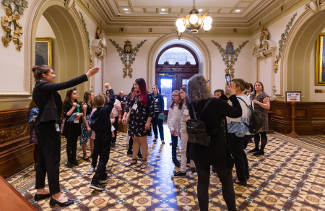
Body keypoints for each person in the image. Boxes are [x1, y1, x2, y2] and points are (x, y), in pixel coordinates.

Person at [32, 65, 99, 207]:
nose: (54, 75)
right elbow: (64, 85)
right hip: (48, 126)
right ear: (44, 75)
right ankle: (56, 194)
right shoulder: (42, 85)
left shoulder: (42, 86)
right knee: (53, 160)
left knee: (44, 158)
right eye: (51, 73)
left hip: (46, 125)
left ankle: (40, 190)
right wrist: (86, 75)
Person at [187, 75, 242, 211]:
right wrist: (233, 96)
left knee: (203, 182)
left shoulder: (191, 104)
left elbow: (211, 107)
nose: (208, 84)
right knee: (226, 180)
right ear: (203, 86)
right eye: (206, 82)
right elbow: (237, 113)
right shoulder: (215, 103)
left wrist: (225, 96)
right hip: (217, 148)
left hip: (199, 146)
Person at [122, 78, 154, 169]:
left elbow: (151, 111)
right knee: (135, 140)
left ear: (141, 85)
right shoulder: (135, 96)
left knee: (143, 142)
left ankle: (144, 161)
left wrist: (148, 122)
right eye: (134, 84)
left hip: (143, 123)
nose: (134, 86)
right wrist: (125, 117)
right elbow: (130, 107)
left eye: (136, 84)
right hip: (134, 122)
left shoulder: (148, 96)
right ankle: (134, 159)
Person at [227, 79, 252, 186]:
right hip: (246, 129)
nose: (228, 87)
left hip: (235, 129)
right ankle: (245, 174)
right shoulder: (247, 98)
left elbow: (233, 115)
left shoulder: (235, 99)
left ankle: (241, 178)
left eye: (231, 85)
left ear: (237, 88)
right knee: (241, 153)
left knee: (237, 155)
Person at [89, 84, 115, 191]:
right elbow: (112, 100)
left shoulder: (94, 113)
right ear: (104, 103)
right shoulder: (104, 111)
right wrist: (109, 88)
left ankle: (102, 176)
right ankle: (94, 181)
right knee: (104, 158)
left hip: (98, 137)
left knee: (101, 156)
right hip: (105, 137)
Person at [249, 81, 270, 156]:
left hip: (262, 117)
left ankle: (262, 150)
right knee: (256, 133)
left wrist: (258, 102)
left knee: (263, 134)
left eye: (259, 85)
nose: (257, 86)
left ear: (262, 86)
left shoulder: (264, 95)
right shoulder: (252, 94)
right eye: (256, 85)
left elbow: (267, 107)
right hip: (254, 116)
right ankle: (256, 148)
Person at [63, 88, 82, 168]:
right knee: (69, 144)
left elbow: (81, 112)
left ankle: (74, 159)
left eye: (76, 93)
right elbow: (66, 115)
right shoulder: (66, 103)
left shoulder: (77, 102)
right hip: (69, 126)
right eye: (74, 93)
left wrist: (80, 114)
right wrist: (73, 108)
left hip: (76, 125)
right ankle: (69, 160)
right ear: (70, 94)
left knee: (74, 143)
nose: (76, 95)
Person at [167, 90, 182, 168]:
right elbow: (169, 118)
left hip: (181, 129)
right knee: (174, 144)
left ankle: (186, 160)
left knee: (184, 145)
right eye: (172, 95)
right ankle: (174, 159)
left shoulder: (182, 106)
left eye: (175, 95)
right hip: (173, 128)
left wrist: (180, 130)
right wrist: (171, 128)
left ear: (179, 96)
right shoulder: (172, 106)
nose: (173, 97)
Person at [80, 91, 94, 161]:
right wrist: (87, 126)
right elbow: (84, 117)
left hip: (91, 122)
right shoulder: (85, 105)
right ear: (88, 96)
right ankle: (84, 154)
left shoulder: (91, 104)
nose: (93, 96)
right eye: (92, 95)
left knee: (92, 138)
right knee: (84, 139)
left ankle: (92, 153)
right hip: (86, 123)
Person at [28, 100, 39, 169]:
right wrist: (33, 119)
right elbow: (30, 121)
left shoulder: (45, 107)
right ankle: (36, 163)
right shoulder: (33, 109)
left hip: (45, 130)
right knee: (37, 147)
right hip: (37, 131)